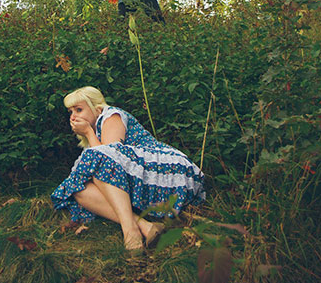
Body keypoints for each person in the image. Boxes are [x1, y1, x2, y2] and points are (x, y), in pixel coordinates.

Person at [51, 86, 206, 253]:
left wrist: (88, 133)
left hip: (169, 170)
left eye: (79, 110)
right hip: (141, 174)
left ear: (97, 109)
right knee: (78, 189)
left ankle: (130, 232)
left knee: (97, 161)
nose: (73, 116)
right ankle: (145, 226)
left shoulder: (111, 116)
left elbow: (107, 157)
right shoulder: (97, 130)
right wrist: (90, 133)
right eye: (70, 112)